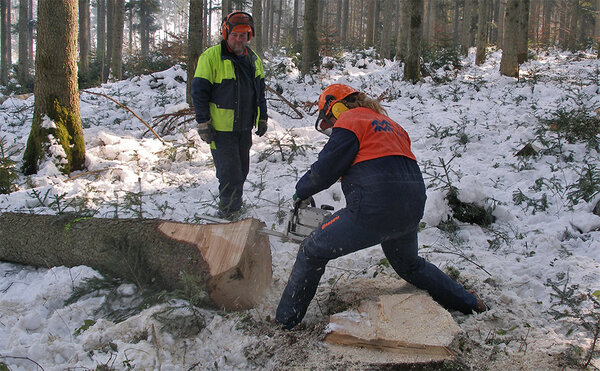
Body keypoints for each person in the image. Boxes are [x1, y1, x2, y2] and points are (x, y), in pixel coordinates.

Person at [275, 84, 488, 330]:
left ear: (338, 106)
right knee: (410, 265)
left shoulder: (351, 120)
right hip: (412, 205)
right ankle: (470, 303)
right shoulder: (392, 125)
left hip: (373, 208)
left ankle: (285, 324)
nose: (333, 125)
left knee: (311, 251)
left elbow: (325, 169)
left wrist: (301, 191)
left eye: (330, 118)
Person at [191, 11, 268, 220]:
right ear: (226, 33)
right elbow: (199, 91)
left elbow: (259, 92)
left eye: (243, 35)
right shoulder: (212, 56)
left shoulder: (253, 59)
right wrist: (203, 121)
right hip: (221, 129)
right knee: (229, 174)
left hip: (244, 128)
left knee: (241, 171)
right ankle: (227, 213)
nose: (238, 40)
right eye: (235, 35)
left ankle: (235, 206)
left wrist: (262, 117)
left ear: (249, 36)